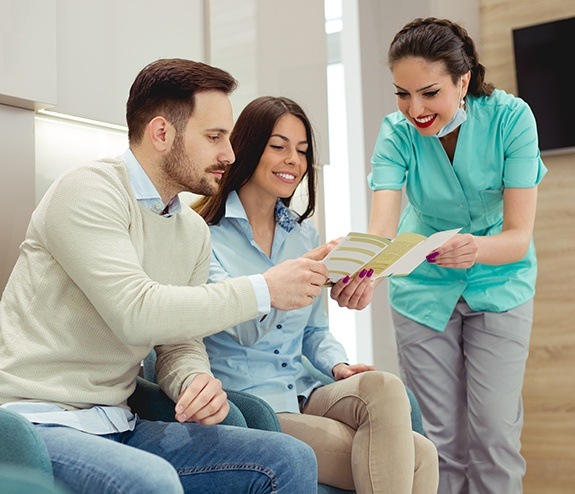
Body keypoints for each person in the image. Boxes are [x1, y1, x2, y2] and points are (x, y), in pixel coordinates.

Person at [0, 58, 328, 493]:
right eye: (214, 137)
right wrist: (264, 289)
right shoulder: (88, 192)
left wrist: (193, 379)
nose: (229, 155)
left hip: (120, 420)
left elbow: (177, 342)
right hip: (39, 422)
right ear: (161, 133)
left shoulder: (190, 229)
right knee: (151, 481)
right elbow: (137, 312)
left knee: (287, 458)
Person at [194, 95, 439, 494]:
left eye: (302, 150)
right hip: (254, 405)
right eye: (278, 146)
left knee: (386, 388)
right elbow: (241, 330)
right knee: (420, 457)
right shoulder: (203, 235)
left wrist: (338, 365)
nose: (293, 159)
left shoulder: (303, 234)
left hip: (306, 388)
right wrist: (290, 277)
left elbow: (314, 331)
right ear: (248, 147)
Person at [366, 17, 548, 494]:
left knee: (495, 434)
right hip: (422, 289)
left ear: (462, 80)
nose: (415, 109)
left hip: (499, 282)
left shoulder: (512, 119)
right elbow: (382, 229)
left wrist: (475, 249)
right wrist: (364, 271)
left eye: (429, 93)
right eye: (402, 94)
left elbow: (518, 237)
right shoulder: (396, 133)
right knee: (438, 441)